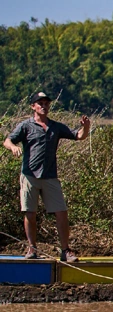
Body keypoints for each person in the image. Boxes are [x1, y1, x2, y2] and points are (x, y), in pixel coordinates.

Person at [3, 92, 90, 262]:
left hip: (50, 176)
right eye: (40, 103)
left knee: (61, 212)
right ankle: (32, 248)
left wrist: (86, 127)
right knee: (30, 213)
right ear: (33, 106)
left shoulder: (55, 127)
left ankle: (65, 251)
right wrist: (13, 147)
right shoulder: (26, 126)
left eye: (46, 103)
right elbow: (7, 140)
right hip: (29, 175)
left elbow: (79, 136)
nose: (44, 106)